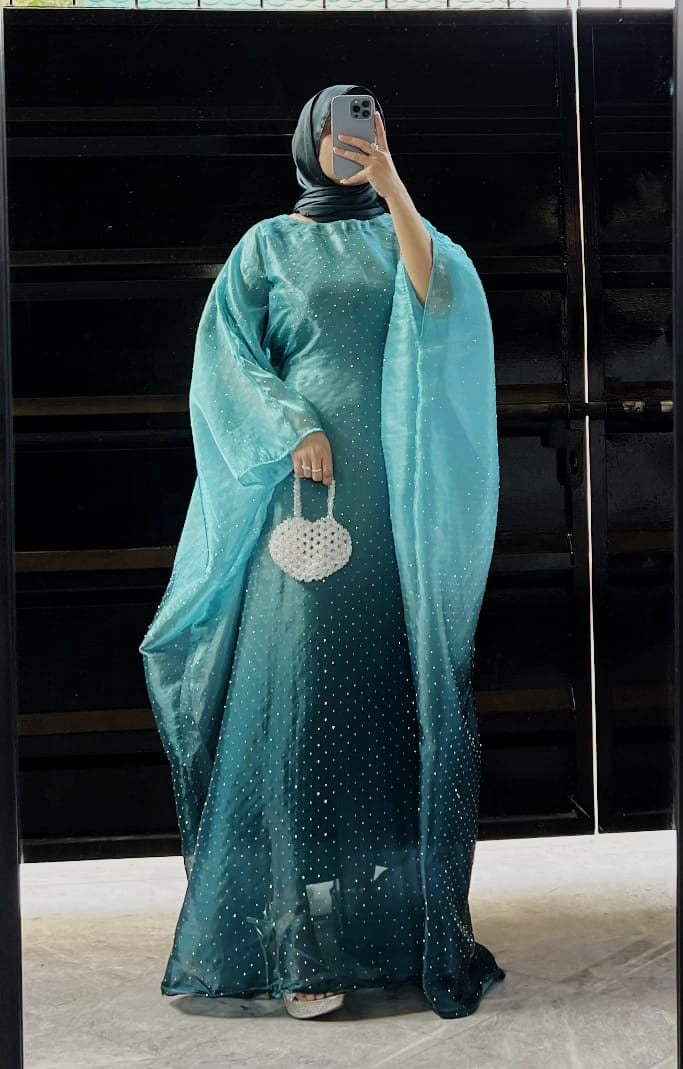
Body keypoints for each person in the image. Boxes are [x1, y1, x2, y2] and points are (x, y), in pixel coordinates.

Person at [139, 84, 505, 1021]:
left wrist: (393, 185)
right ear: (309, 141)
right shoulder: (266, 245)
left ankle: (393, 928)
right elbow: (226, 360)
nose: (352, 143)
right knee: (297, 705)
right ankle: (297, 939)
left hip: (394, 509)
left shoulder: (402, 234)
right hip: (303, 499)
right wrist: (290, 420)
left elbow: (440, 299)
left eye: (367, 127)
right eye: (340, 132)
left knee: (388, 698)